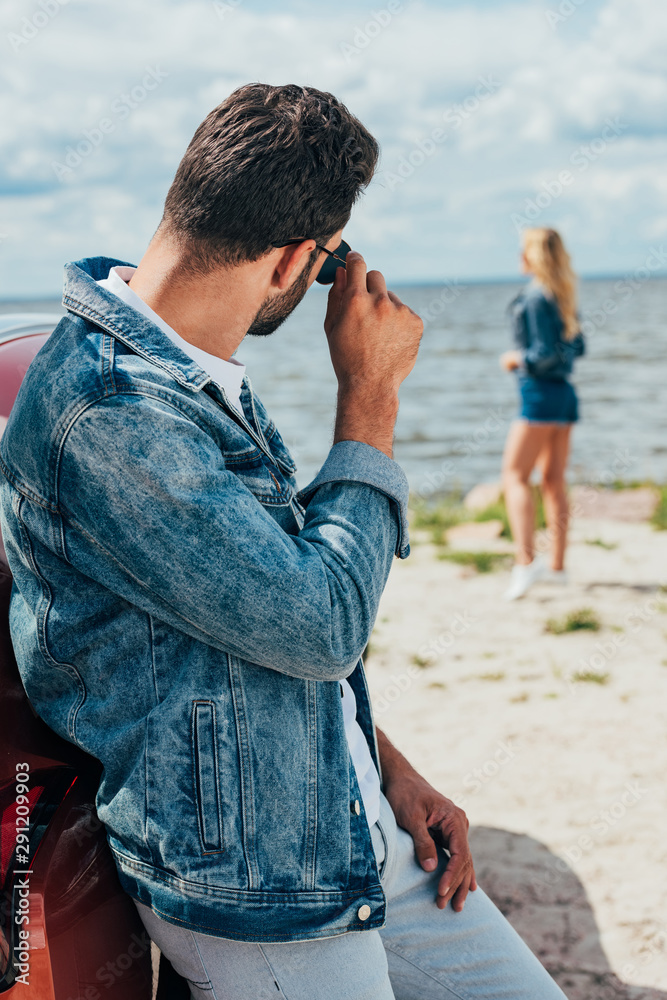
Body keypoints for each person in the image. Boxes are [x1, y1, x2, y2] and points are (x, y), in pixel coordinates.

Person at [0, 84, 566, 998]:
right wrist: (369, 398)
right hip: (256, 882)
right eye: (326, 259)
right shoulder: (114, 413)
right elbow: (317, 624)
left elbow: (250, 617)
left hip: (342, 825)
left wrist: (387, 767)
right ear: (298, 259)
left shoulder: (189, 370)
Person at [500, 227, 585, 602]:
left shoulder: (535, 297)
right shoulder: (562, 294)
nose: (519, 257)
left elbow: (544, 354)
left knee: (514, 476)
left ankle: (525, 562)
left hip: (539, 397)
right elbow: (577, 347)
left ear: (534, 256)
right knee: (552, 480)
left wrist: (516, 359)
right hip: (565, 396)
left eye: (523, 251)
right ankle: (558, 568)